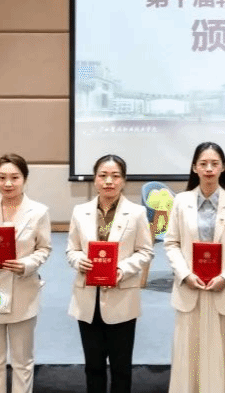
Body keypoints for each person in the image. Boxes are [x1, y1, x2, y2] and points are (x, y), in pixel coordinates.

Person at [165, 142, 225, 393]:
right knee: (190, 353)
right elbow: (171, 243)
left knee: (223, 354)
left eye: (215, 164)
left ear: (223, 167)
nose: (209, 169)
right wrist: (185, 274)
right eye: (203, 164)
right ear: (194, 168)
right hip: (190, 288)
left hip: (223, 289)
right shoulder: (181, 201)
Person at [66, 154, 154, 393]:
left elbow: (145, 251)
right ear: (95, 179)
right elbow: (71, 249)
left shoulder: (136, 213)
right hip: (88, 298)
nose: (108, 181)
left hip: (122, 296)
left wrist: (122, 269)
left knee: (121, 368)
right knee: (93, 366)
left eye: (115, 176)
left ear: (123, 180)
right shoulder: (80, 211)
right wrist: (79, 260)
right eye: (103, 176)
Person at [0, 153, 52, 393]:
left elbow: (44, 248)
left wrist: (27, 264)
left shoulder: (39, 212)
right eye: (2, 177)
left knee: (22, 361)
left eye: (14, 177)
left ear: (25, 179)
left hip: (22, 290)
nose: (8, 183)